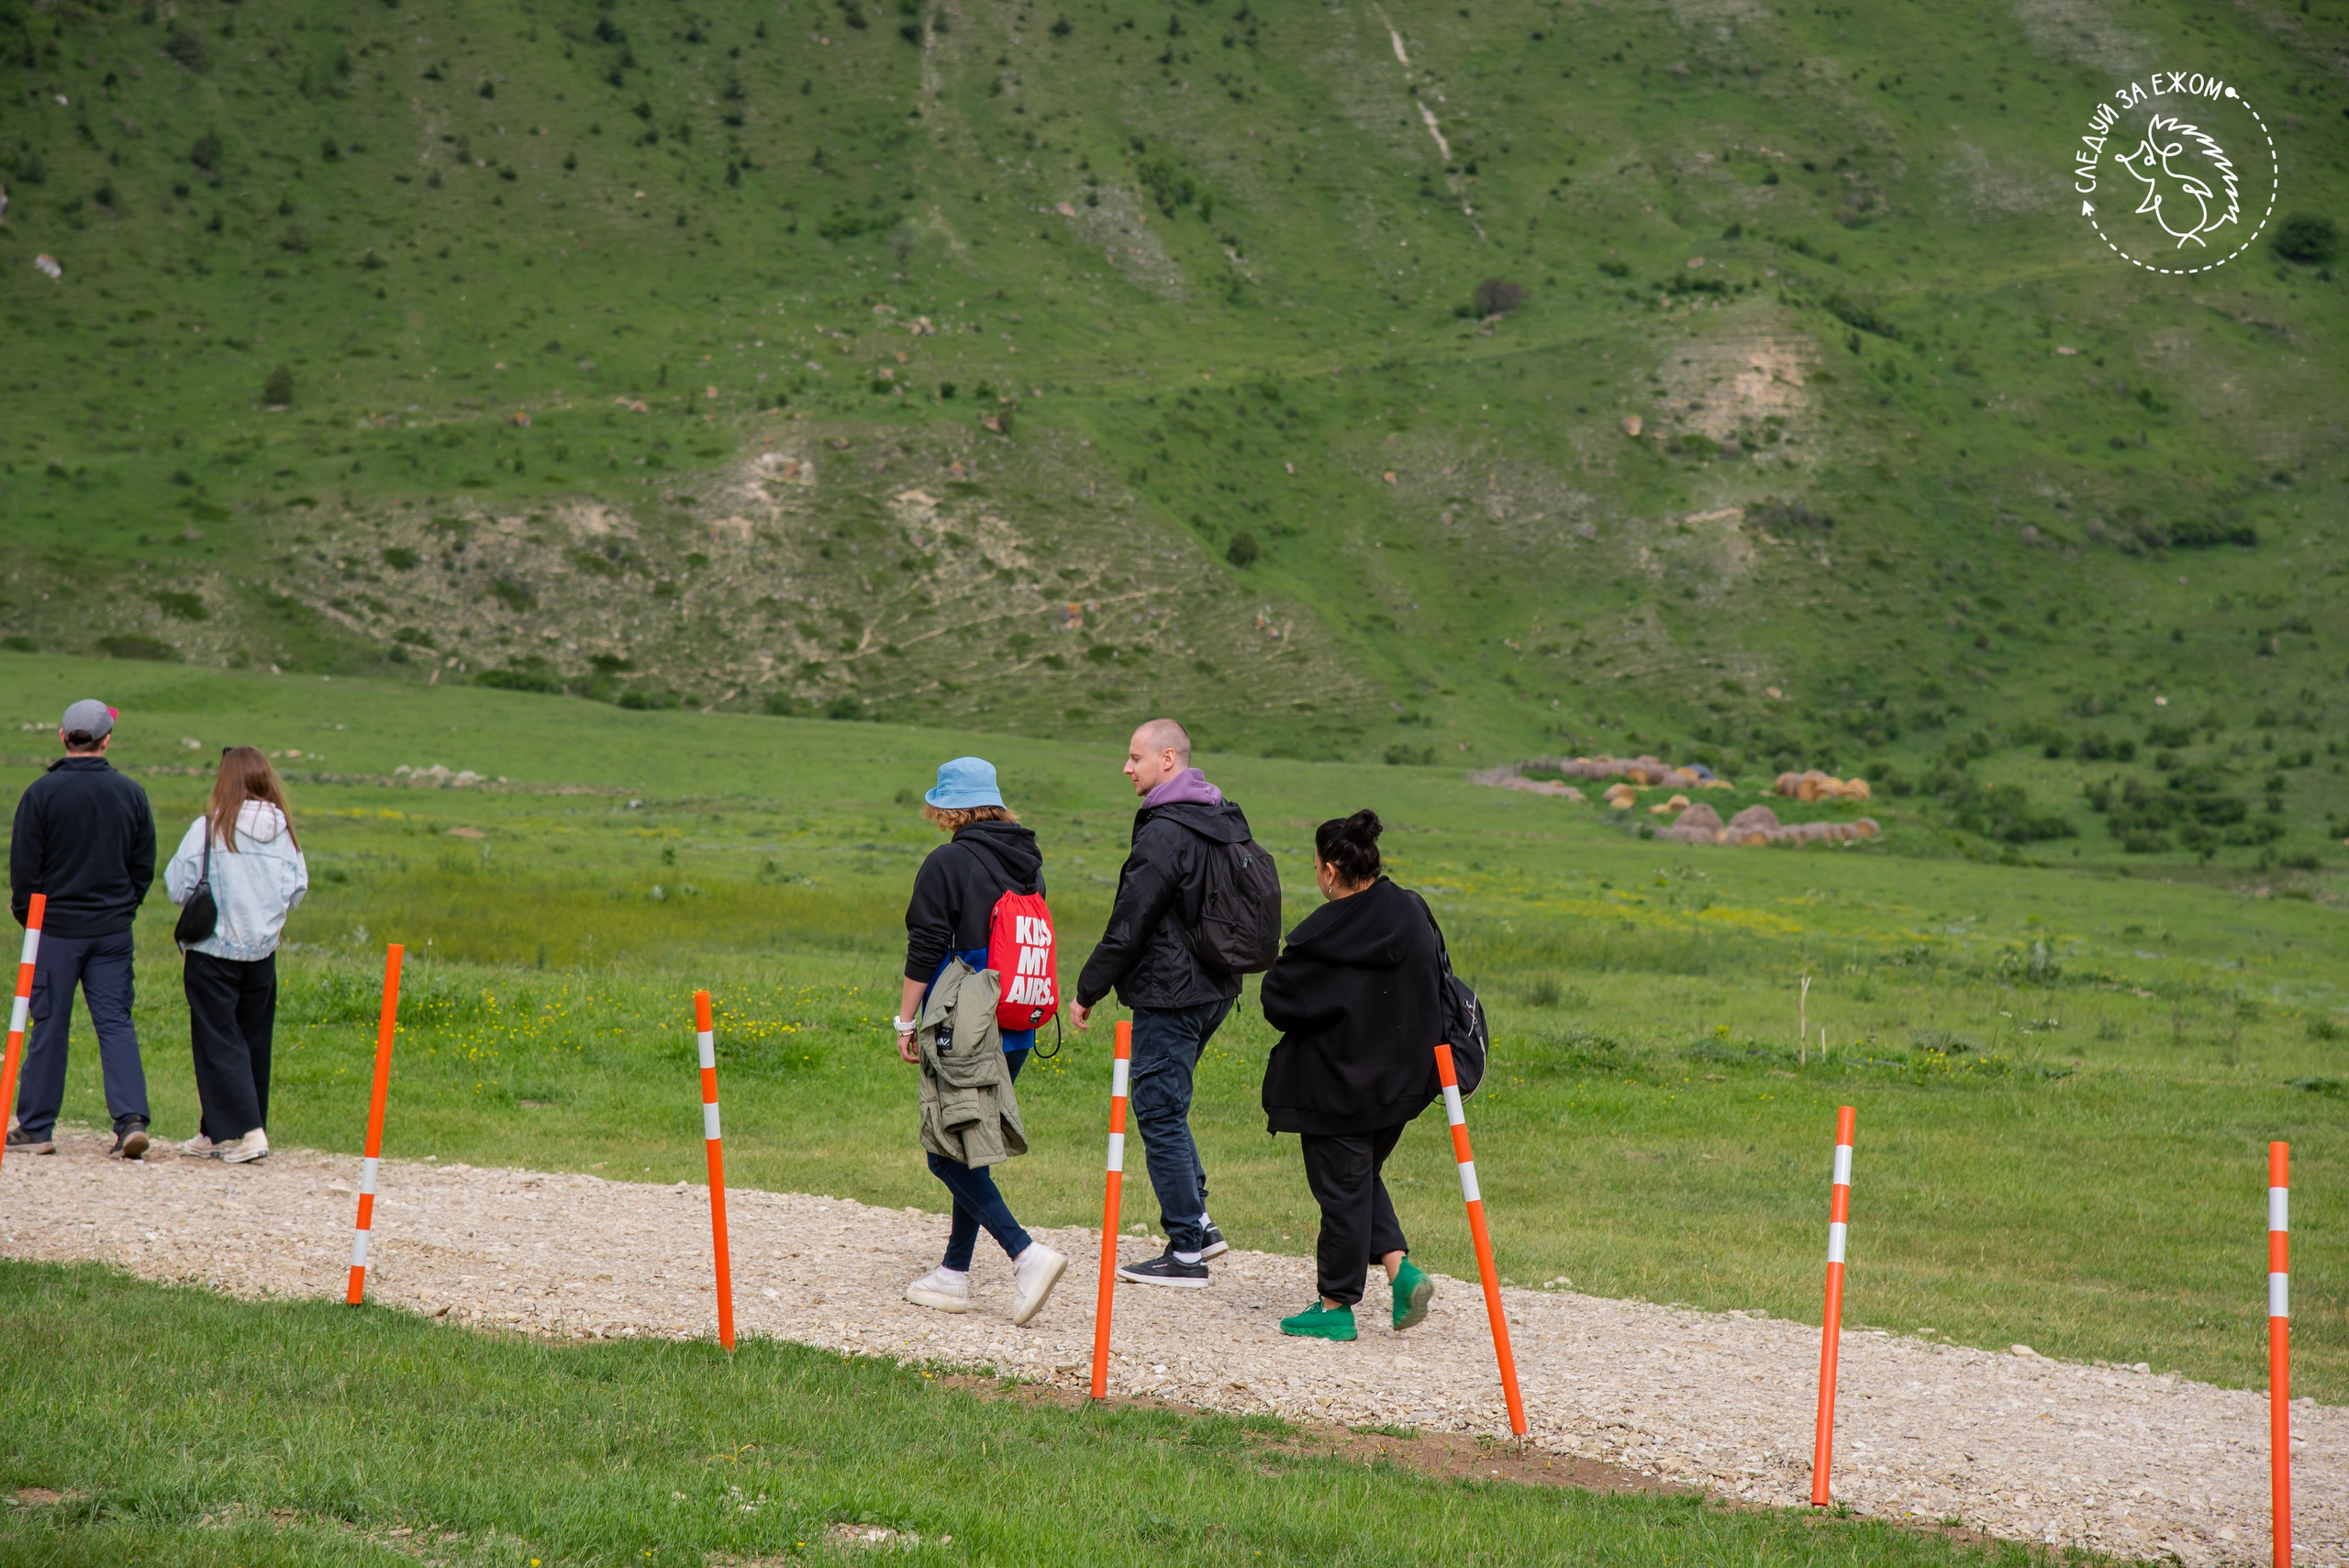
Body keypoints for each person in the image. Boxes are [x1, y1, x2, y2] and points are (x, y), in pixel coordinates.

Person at [1072, 718, 1252, 1288]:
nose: (1126, 768)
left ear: (1167, 759)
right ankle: (1200, 1223)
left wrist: (1087, 989)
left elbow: (1131, 922)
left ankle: (1185, 1253)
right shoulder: (1220, 815)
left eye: (1134, 758)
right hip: (1218, 987)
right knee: (1169, 1102)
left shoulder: (1165, 830)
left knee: (1158, 1109)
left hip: (1174, 991)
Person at [893, 757, 1069, 1326]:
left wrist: (904, 1020)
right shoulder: (1028, 861)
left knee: (945, 1152)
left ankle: (1025, 1254)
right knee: (967, 1143)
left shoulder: (947, 861)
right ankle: (952, 1273)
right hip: (1017, 1026)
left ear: (947, 808)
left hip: (966, 1029)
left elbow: (925, 949)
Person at [1257, 809, 1442, 1342]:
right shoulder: (1411, 910)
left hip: (1336, 1089)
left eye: (1316, 866)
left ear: (1330, 872)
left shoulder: (1322, 935)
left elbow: (1279, 1003)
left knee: (1339, 1188)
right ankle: (1401, 1272)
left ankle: (1336, 1306)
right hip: (1404, 1086)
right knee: (1356, 1175)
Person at [6, 699, 158, 1159]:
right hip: (111, 930)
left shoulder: (42, 793)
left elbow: (24, 869)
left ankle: (36, 1128)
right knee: (115, 1022)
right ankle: (130, 1120)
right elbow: (143, 864)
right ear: (106, 739)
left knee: (49, 1022)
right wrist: (124, 908)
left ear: (62, 737)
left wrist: (28, 915)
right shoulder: (131, 792)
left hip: (53, 930)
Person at [164, 747, 309, 1164]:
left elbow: (177, 885)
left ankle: (250, 1132)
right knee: (252, 1041)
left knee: (218, 1041)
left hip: (213, 950)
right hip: (262, 953)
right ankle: (214, 1132)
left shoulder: (209, 827)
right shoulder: (285, 831)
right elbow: (297, 888)